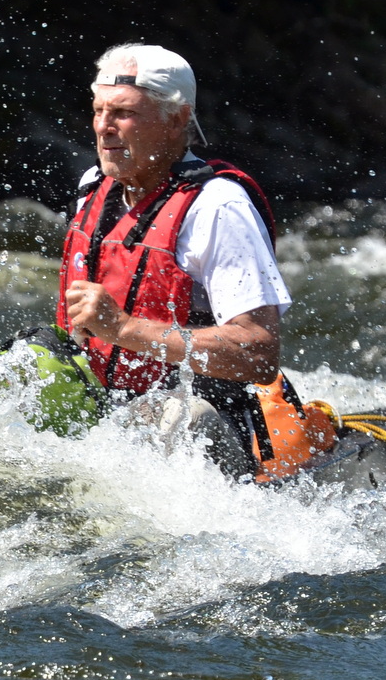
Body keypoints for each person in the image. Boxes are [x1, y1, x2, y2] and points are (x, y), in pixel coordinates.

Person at [55, 43, 297, 473]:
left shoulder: (218, 207)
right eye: (98, 111)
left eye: (124, 113)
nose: (104, 128)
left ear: (176, 119)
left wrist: (124, 329)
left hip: (198, 426)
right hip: (106, 412)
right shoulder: (93, 186)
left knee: (184, 419)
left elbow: (259, 353)